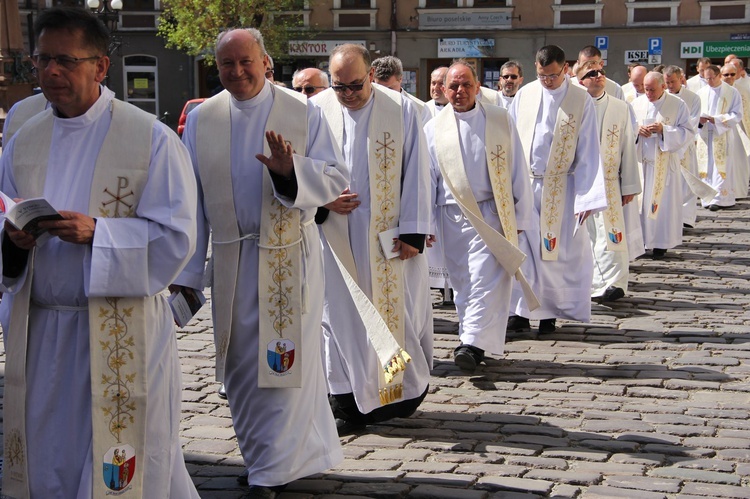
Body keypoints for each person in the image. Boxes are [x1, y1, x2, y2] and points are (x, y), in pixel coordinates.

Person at [0, 7, 199, 498]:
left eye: (65, 60)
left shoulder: (148, 137)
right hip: (43, 332)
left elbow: (176, 237)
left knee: (124, 458)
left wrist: (100, 234)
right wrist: (14, 241)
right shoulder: (23, 141)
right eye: (42, 60)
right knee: (52, 456)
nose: (50, 72)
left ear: (100, 67)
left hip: (119, 329)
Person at [174, 28, 348, 497]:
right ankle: (265, 458)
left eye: (245, 61)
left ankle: (268, 473)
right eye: (227, 64)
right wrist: (187, 277)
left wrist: (292, 174)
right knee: (240, 371)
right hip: (231, 261)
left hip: (290, 254)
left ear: (265, 62)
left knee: (283, 366)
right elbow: (192, 204)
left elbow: (335, 178)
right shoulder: (204, 118)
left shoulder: (302, 111)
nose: (237, 72)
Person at [312, 43, 433, 434]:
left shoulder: (401, 109)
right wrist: (322, 200)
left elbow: (417, 170)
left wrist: (414, 230)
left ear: (371, 75)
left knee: (390, 315)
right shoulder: (317, 111)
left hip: (388, 237)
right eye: (338, 87)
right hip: (334, 233)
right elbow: (306, 167)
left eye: (355, 85)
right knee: (338, 318)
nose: (347, 95)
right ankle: (344, 398)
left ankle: (395, 392)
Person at [424, 61, 533, 371]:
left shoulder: (499, 120)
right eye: (453, 86)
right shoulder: (433, 128)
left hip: (492, 214)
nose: (459, 91)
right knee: (464, 283)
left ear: (477, 87)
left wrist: (522, 217)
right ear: (444, 90)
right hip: (451, 217)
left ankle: (470, 344)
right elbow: (427, 179)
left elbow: (517, 169)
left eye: (465, 85)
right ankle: (474, 340)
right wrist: (426, 223)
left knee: (487, 278)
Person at [508, 45, 606, 334]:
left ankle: (549, 314)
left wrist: (587, 196)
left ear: (566, 69)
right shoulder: (525, 94)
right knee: (523, 250)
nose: (546, 82)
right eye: (541, 76)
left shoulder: (580, 99)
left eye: (551, 76)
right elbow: (511, 138)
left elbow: (589, 148)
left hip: (561, 187)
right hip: (525, 184)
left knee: (553, 253)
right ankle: (521, 312)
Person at [576, 64, 641, 302]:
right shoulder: (573, 106)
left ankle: (614, 282)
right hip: (580, 182)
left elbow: (628, 145)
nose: (599, 75)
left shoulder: (620, 107)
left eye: (601, 71)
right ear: (580, 81)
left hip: (609, 181)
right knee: (586, 234)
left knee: (611, 231)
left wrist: (630, 184)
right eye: (591, 74)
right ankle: (590, 283)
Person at [632, 71, 694, 259]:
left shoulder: (677, 105)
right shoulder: (637, 104)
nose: (648, 94)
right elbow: (628, 127)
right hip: (642, 163)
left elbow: (687, 132)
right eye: (646, 89)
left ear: (663, 87)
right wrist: (637, 130)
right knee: (641, 204)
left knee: (663, 205)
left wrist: (664, 130)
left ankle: (660, 243)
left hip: (664, 165)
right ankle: (641, 241)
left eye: (652, 90)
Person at [695, 64, 746, 211]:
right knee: (707, 166)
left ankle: (721, 199)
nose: (709, 81)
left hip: (722, 134)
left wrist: (716, 119)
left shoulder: (731, 92)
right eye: (706, 79)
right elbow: (694, 114)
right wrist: (700, 120)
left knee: (720, 167)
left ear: (718, 76)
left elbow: (737, 114)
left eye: (711, 78)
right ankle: (708, 198)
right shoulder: (701, 92)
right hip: (705, 136)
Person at [423, 65, 453, 302]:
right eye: (432, 83)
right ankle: (438, 289)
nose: (434, 88)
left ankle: (452, 290)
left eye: (439, 83)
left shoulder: (459, 111)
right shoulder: (422, 110)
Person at [663, 65, 705, 230]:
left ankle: (686, 217)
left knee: (686, 183)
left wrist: (676, 141)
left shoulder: (693, 98)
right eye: (667, 82)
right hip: (666, 147)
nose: (670, 86)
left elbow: (692, 124)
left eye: (673, 81)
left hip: (685, 146)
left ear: (681, 79)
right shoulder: (662, 97)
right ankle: (669, 218)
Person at [372, 55, 430, 124]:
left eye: (390, 89)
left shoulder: (420, 109)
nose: (385, 93)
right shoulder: (365, 105)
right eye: (380, 89)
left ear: (400, 79)